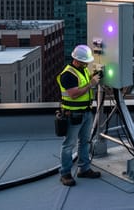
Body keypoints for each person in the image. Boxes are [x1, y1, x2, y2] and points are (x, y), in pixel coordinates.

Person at [57, 44, 102, 186]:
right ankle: (65, 174)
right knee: (68, 145)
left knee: (84, 141)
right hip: (73, 114)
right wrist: (91, 83)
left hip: (86, 113)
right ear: (77, 60)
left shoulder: (81, 70)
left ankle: (84, 169)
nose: (88, 63)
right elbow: (74, 94)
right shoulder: (68, 74)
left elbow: (84, 82)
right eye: (86, 61)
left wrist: (94, 77)